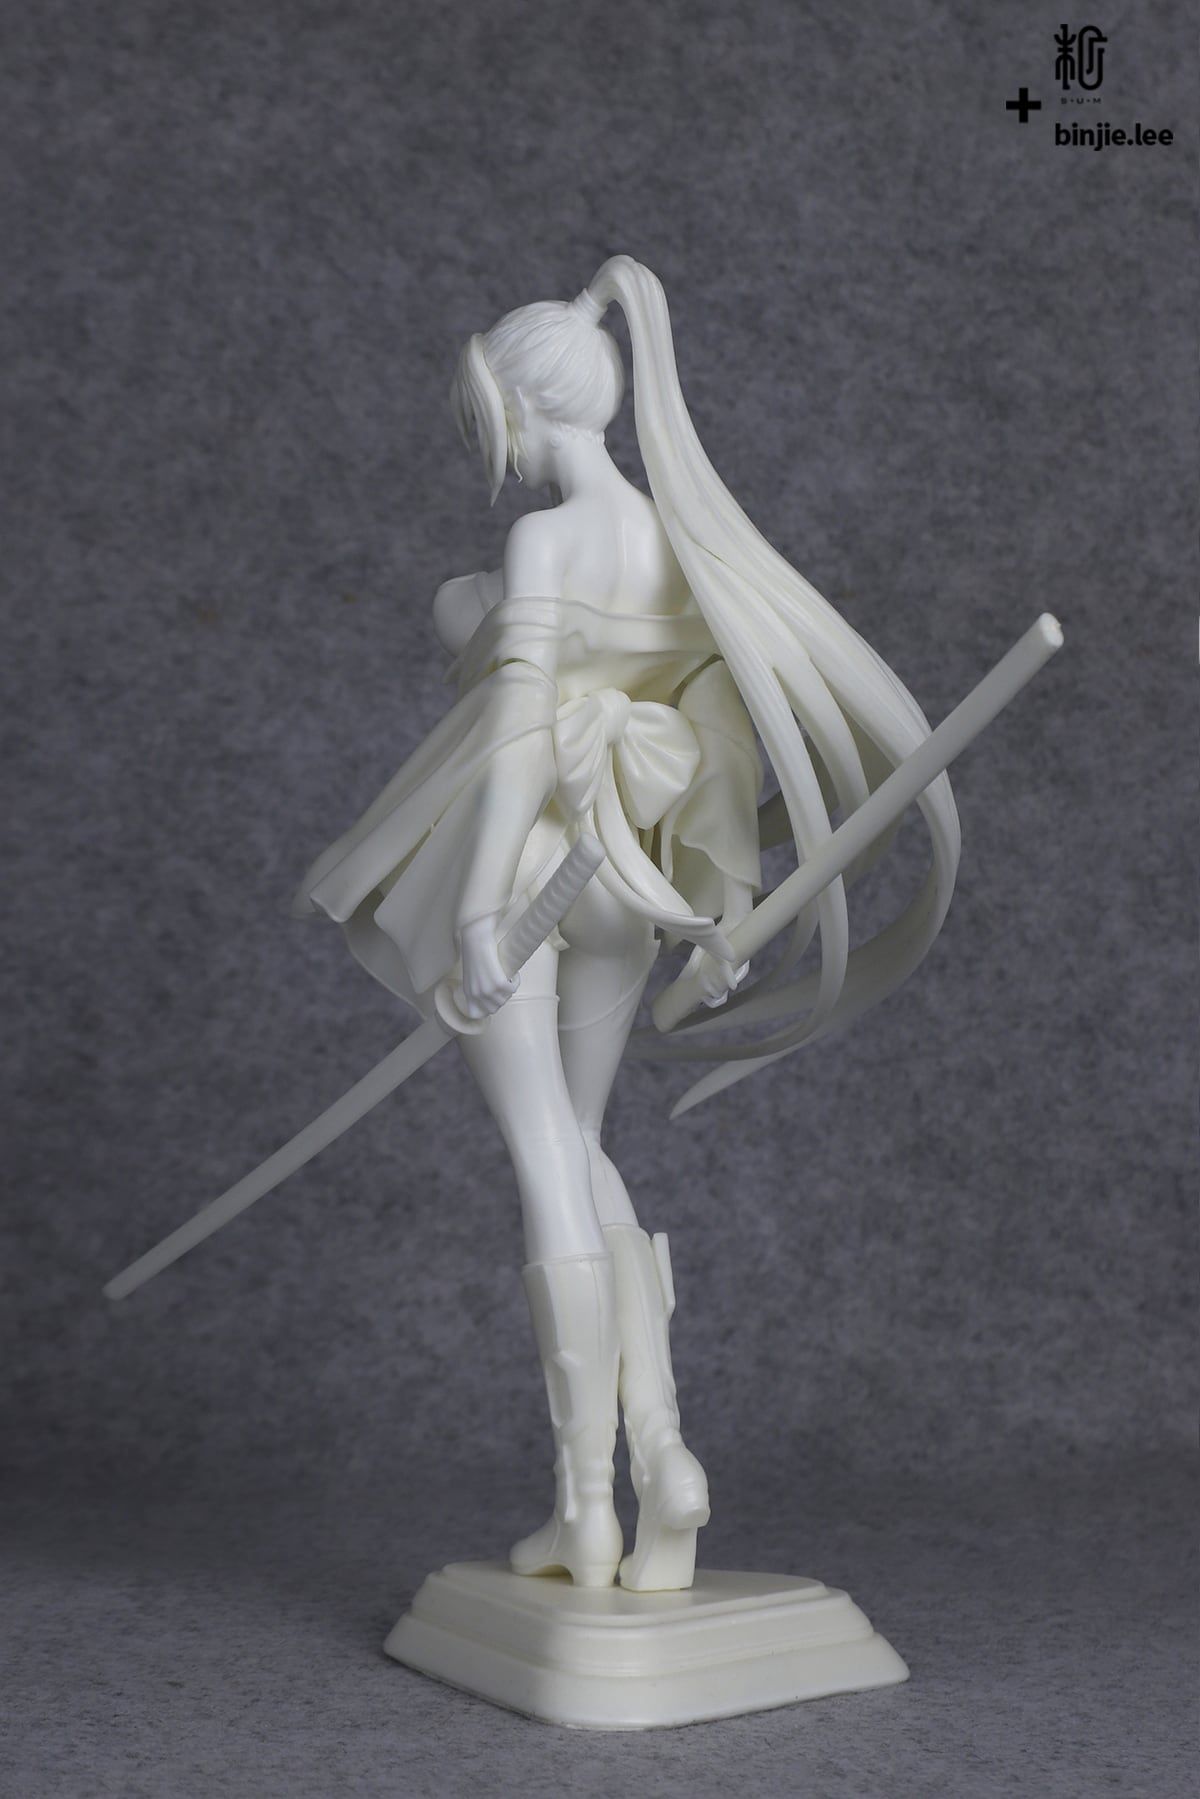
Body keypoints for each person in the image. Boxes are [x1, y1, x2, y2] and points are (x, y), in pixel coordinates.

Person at [293, 255, 961, 1593]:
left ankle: (583, 1509)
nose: (495, 445)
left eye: (493, 419)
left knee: (548, 1158)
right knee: (588, 1148)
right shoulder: (682, 542)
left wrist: (476, 914)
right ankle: (663, 1455)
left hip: (538, 869)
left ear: (524, 409)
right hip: (626, 886)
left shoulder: (547, 544)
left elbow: (516, 743)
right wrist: (707, 899)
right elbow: (710, 737)